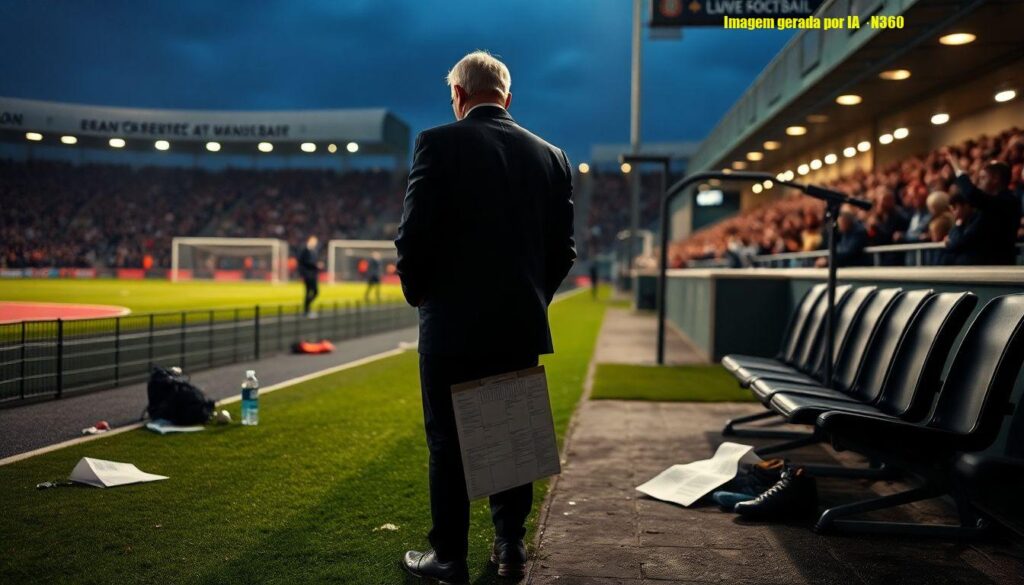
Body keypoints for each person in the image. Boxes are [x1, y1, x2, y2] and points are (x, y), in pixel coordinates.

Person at [395, 51, 575, 584]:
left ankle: (448, 557)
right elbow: (562, 251)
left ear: (458, 95)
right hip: (518, 320)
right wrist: (531, 299)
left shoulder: (437, 142)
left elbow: (414, 236)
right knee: (512, 433)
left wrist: (422, 297)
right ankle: (510, 549)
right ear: (507, 98)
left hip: (450, 323)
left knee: (448, 441)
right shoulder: (553, 156)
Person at [944, 150, 1021, 264]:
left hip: (996, 270)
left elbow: (971, 194)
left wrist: (957, 167)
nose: (979, 183)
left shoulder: (1007, 201)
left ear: (995, 179)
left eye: (983, 178)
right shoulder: (987, 206)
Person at [944, 193, 983, 265]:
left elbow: (960, 242)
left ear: (966, 206)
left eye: (955, 208)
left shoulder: (977, 220)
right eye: (951, 210)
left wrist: (951, 243)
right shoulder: (960, 222)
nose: (953, 213)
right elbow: (951, 242)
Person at [298, 235, 321, 317]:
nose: (315, 243)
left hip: (313, 275)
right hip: (308, 275)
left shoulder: (314, 251)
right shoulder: (305, 250)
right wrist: (316, 265)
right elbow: (303, 262)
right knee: (310, 292)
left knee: (314, 292)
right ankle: (306, 310)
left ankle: (306, 309)